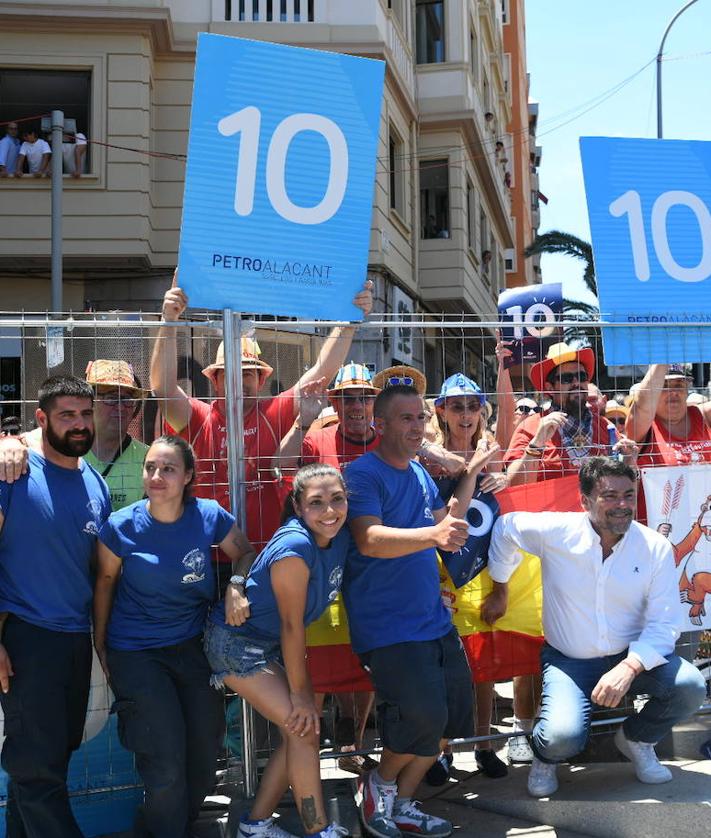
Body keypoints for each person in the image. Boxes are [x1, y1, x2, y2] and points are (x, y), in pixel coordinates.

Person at [485, 457, 706, 798]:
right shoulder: (556, 532)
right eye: (610, 496)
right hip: (569, 661)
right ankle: (545, 757)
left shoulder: (655, 548)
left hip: (631, 659)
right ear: (584, 500)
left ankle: (637, 739)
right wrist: (501, 587)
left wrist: (630, 667)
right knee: (560, 738)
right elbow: (506, 527)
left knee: (690, 686)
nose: (622, 505)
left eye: (629, 495)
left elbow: (665, 623)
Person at [343, 384, 498, 838]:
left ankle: (402, 802)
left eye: (420, 418)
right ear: (381, 425)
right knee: (421, 717)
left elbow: (442, 517)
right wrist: (433, 537)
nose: (417, 427)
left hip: (432, 620)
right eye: (406, 418)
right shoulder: (362, 475)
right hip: (386, 626)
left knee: (449, 721)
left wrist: (471, 472)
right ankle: (379, 785)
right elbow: (369, 539)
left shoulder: (418, 473)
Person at [94, 434, 255, 838]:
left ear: (187, 477)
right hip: (136, 652)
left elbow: (245, 551)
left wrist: (236, 583)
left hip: (192, 647)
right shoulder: (121, 526)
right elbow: (105, 583)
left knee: (204, 752)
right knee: (164, 761)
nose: (157, 475)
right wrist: (100, 645)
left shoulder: (209, 515)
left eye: (168, 468)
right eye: (150, 467)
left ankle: (166, 827)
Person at [150, 274, 373, 551]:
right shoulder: (198, 416)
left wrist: (348, 321)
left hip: (267, 554)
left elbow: (322, 373)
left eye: (248, 374)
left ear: (261, 380)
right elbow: (162, 388)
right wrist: (169, 320)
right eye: (230, 372)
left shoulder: (273, 413)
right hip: (205, 555)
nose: (240, 381)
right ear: (215, 380)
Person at [204, 463, 353, 838]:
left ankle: (254, 825)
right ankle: (318, 829)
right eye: (316, 503)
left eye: (337, 499)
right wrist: (301, 696)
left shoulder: (339, 535)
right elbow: (291, 626)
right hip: (236, 645)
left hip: (267, 645)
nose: (330, 510)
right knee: (303, 727)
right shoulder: (295, 547)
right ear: (299, 507)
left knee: (301, 729)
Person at [0, 375, 112, 837]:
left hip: (73, 639)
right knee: (38, 770)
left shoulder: (95, 484)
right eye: (67, 416)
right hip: (27, 637)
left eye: (86, 414)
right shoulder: (12, 471)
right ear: (41, 419)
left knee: (51, 759)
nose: (80, 425)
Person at [0, 359, 149, 511]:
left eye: (127, 399)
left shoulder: (149, 458)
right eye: (111, 398)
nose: (121, 407)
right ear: (90, 402)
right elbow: (26, 441)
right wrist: (8, 443)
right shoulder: (65, 444)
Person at [505, 342, 633, 485]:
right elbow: (514, 484)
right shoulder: (530, 427)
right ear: (550, 388)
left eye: (582, 376)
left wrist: (630, 463)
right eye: (567, 378)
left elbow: (623, 486)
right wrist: (537, 444)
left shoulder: (606, 426)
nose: (576, 383)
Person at [626, 364, 711, 467]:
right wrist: (662, 356)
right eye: (664, 386)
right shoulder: (644, 426)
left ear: (687, 390)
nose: (673, 392)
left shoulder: (704, 415)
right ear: (653, 393)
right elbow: (641, 405)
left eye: (678, 385)